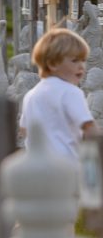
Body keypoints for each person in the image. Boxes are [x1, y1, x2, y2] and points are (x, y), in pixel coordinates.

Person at [20, 28, 98, 162]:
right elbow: (89, 127)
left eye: (83, 60)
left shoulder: (31, 95)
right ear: (52, 64)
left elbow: (24, 129)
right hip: (66, 165)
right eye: (75, 61)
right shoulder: (70, 92)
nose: (81, 66)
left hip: (36, 163)